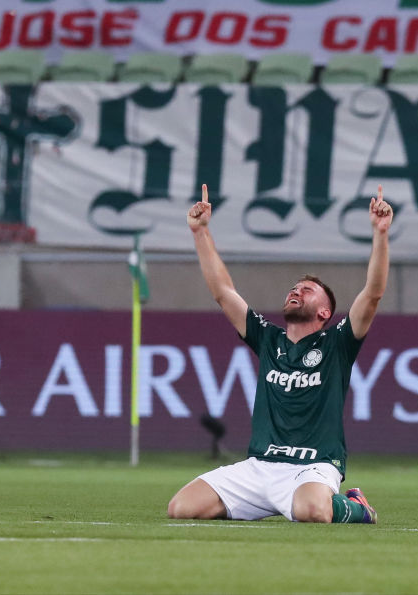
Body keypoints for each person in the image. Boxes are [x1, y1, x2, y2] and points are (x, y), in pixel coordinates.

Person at [167, 183, 393, 524]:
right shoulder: (268, 339)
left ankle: (358, 506)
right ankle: (274, 503)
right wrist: (200, 232)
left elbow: (373, 294)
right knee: (181, 508)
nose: (296, 291)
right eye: (294, 288)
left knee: (312, 512)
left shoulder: (338, 343)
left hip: (314, 466)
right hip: (260, 466)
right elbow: (223, 291)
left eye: (307, 290)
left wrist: (380, 234)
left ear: (324, 313)